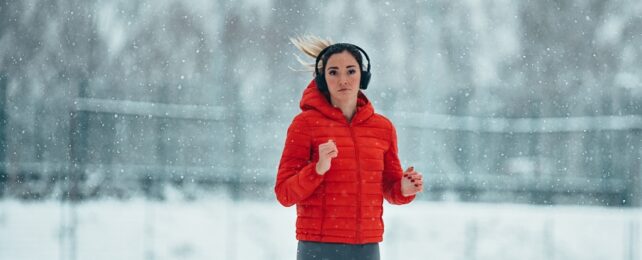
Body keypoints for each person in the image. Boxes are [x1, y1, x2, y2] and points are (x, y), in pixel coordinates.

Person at [275, 35, 424, 260]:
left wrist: (403, 188)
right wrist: (317, 169)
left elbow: (389, 188)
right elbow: (284, 193)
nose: (343, 79)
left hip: (366, 247)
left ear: (363, 76)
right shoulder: (304, 124)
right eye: (333, 72)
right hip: (319, 246)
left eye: (351, 71)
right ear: (322, 79)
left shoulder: (382, 128)